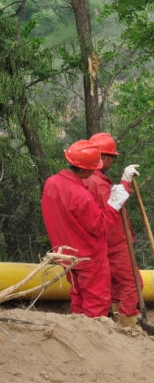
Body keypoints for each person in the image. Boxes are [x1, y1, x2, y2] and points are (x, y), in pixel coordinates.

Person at [41, 140, 133, 318]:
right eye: (93, 168)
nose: (95, 171)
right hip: (89, 256)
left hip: (67, 254)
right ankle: (93, 337)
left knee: (78, 296)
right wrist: (113, 205)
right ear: (83, 169)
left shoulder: (52, 183)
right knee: (96, 302)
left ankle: (79, 330)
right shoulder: (81, 195)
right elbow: (99, 225)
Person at [84, 133, 141, 327]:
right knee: (133, 283)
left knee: (117, 282)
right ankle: (127, 321)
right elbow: (112, 203)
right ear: (103, 157)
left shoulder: (91, 178)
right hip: (114, 240)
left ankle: (118, 315)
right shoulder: (96, 180)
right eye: (112, 157)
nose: (113, 161)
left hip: (108, 239)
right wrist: (125, 181)